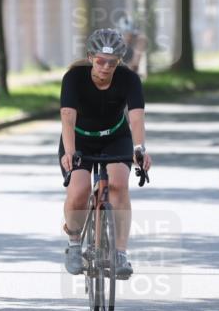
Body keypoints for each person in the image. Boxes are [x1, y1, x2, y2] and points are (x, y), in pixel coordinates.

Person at [59, 28, 152, 278]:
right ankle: (75, 244)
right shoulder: (74, 78)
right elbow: (67, 117)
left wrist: (140, 148)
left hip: (115, 136)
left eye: (112, 62)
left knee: (120, 184)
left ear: (119, 61)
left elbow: (136, 118)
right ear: (90, 57)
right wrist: (69, 152)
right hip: (79, 138)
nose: (105, 67)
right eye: (100, 61)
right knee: (79, 189)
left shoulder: (129, 79)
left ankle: (120, 253)